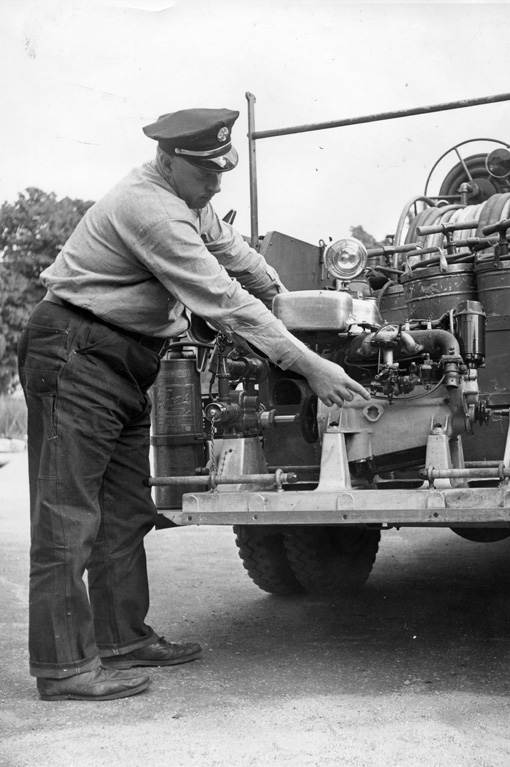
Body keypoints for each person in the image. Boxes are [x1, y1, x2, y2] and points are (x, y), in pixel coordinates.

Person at [17, 107, 369, 702]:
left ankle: (122, 638)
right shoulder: (150, 209)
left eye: (220, 171)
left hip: (126, 362)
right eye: (206, 171)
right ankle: (64, 668)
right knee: (68, 518)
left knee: (126, 510)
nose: (216, 183)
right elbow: (222, 299)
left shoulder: (190, 199)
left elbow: (241, 261)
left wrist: (292, 302)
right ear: (169, 160)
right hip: (77, 354)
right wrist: (310, 364)